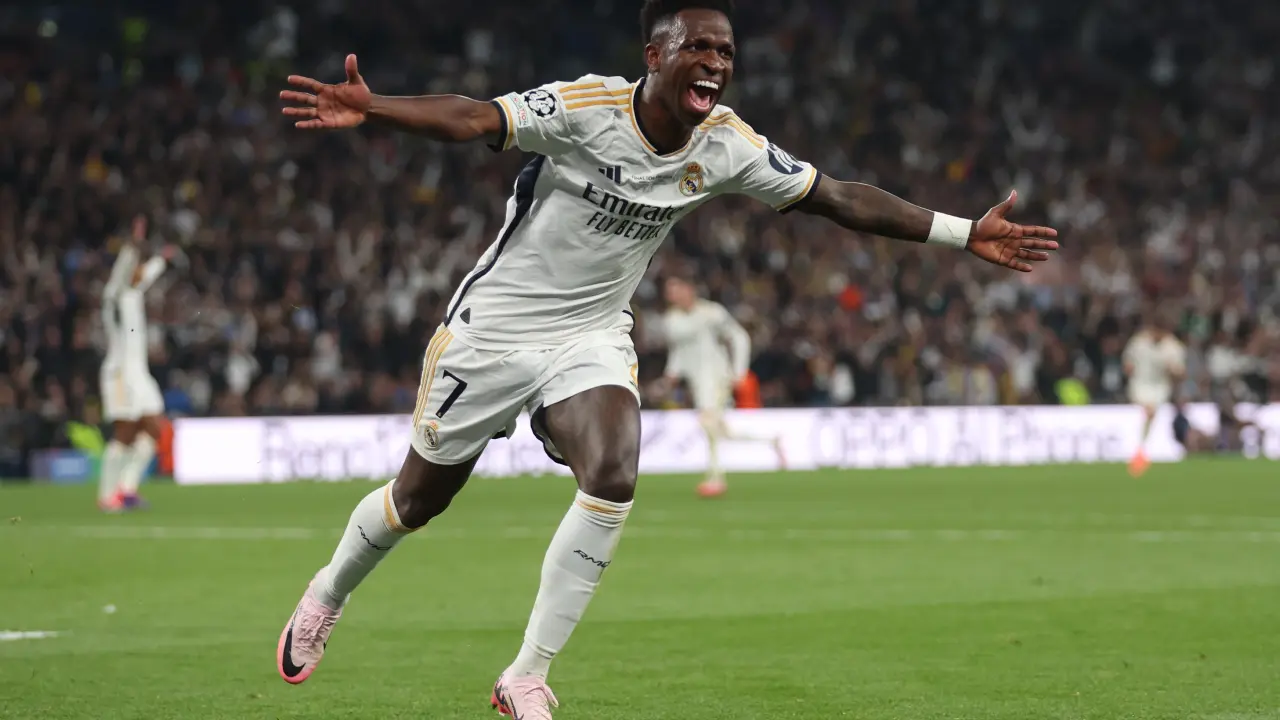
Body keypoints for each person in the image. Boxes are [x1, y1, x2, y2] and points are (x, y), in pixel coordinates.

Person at [275, 0, 1059, 715]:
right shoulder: (585, 110)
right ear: (655, 56)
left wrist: (964, 233)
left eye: (726, 52)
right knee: (417, 502)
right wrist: (375, 107)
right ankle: (326, 593)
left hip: (590, 335)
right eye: (699, 47)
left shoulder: (727, 145)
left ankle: (526, 676)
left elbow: (837, 196)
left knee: (614, 475)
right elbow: (475, 117)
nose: (716, 63)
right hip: (493, 333)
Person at [660, 275, 784, 497]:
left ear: (689, 289)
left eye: (676, 289)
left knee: (707, 423)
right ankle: (770, 440)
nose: (671, 295)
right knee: (722, 431)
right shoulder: (672, 320)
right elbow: (678, 350)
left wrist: (739, 371)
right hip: (698, 382)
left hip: (717, 377)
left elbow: (739, 336)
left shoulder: (712, 313)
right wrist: (671, 374)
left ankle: (715, 478)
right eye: (669, 291)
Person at [97, 215, 172, 511]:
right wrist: (133, 245)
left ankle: (126, 489)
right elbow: (125, 272)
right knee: (125, 434)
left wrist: (161, 260)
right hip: (119, 373)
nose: (139, 271)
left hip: (138, 373)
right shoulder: (114, 295)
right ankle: (107, 497)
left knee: (154, 430)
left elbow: (143, 277)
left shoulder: (133, 293)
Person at [1123, 318, 1186, 477]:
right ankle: (1138, 451)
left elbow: (1180, 374)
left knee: (1151, 413)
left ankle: (1142, 452)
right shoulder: (1138, 343)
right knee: (1146, 413)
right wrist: (1129, 369)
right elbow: (1127, 364)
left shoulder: (1173, 347)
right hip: (1139, 385)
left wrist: (1173, 371)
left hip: (1160, 389)